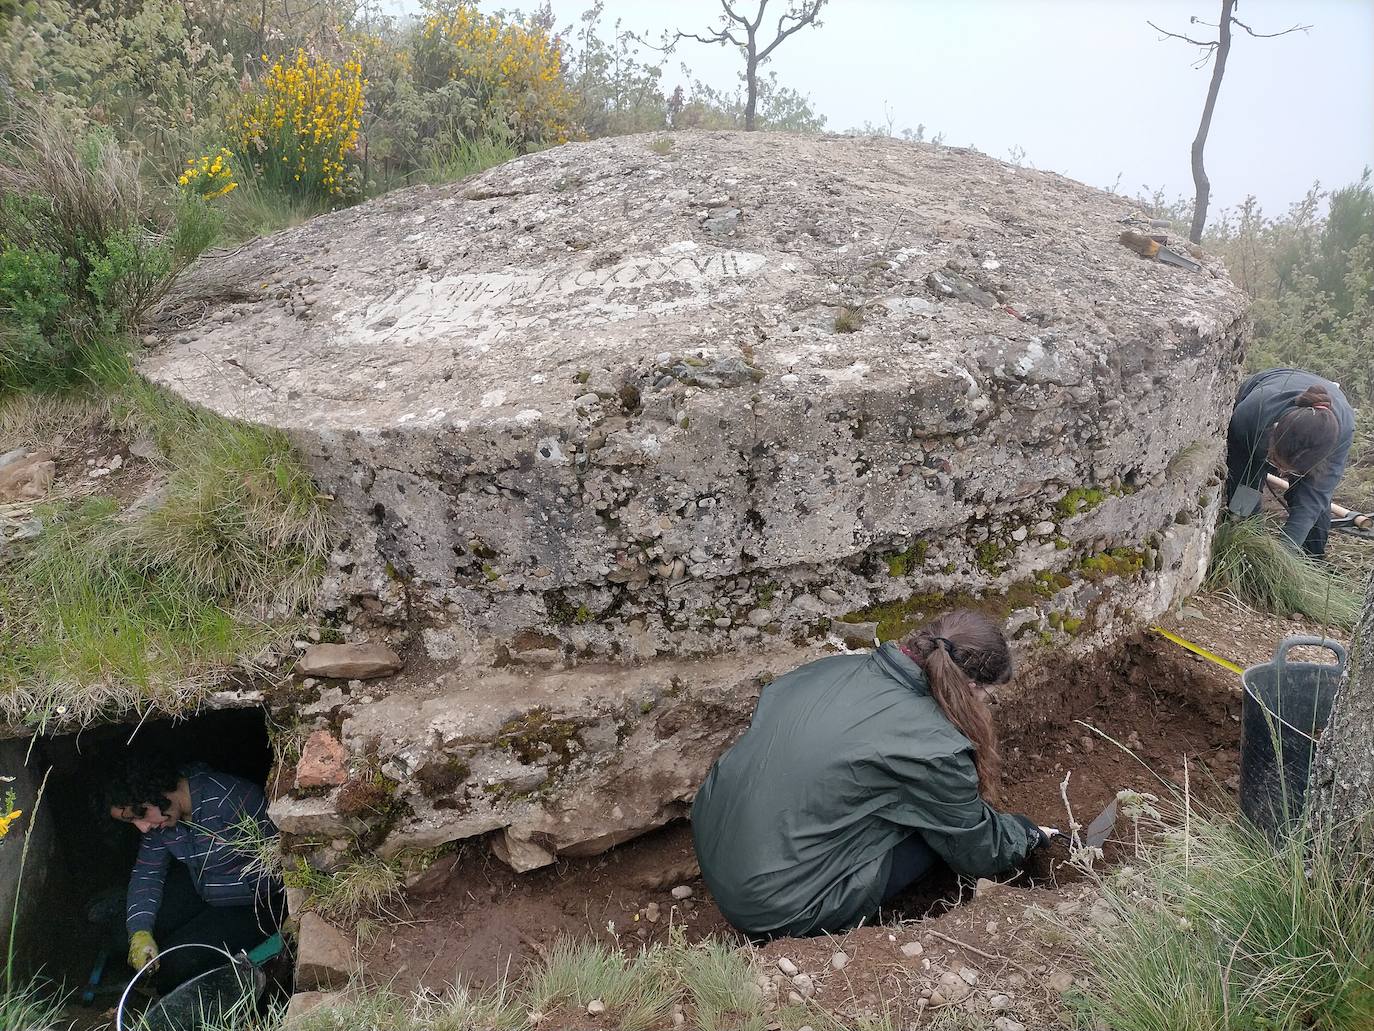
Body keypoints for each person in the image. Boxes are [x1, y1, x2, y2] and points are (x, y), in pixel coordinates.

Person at [691, 610, 1053, 940]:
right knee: (931, 829)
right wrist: (1028, 833)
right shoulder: (933, 749)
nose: (986, 705)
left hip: (716, 845)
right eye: (989, 695)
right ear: (971, 686)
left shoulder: (830, 670)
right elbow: (978, 849)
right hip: (779, 907)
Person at [107, 754, 283, 993]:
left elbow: (286, 862)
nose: (142, 826)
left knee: (173, 964)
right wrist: (140, 931)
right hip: (202, 884)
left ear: (156, 792)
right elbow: (147, 873)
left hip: (252, 903)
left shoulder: (232, 800)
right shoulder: (162, 820)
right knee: (122, 936)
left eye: (140, 814)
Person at [1226, 368, 1368, 557]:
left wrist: (1285, 556)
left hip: (1330, 416)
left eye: (1291, 471)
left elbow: (1312, 500)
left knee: (1315, 504)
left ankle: (1312, 559)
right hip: (1267, 395)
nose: (1282, 474)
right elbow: (1244, 482)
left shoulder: (1340, 436)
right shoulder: (1251, 416)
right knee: (1243, 501)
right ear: (1274, 432)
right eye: (1277, 463)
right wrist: (1253, 544)